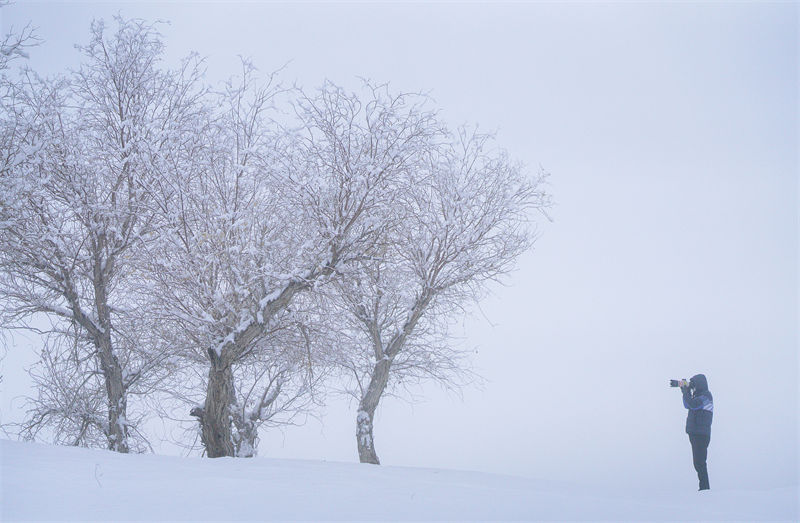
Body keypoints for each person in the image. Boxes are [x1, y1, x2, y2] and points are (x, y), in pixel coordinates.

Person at [681, 374, 713, 490]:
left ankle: (705, 489)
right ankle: (704, 488)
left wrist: (685, 392)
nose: (692, 387)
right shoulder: (698, 396)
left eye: (693, 384)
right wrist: (686, 392)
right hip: (696, 433)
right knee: (698, 463)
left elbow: (691, 405)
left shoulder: (706, 396)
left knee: (700, 463)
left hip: (701, 434)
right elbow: (687, 404)